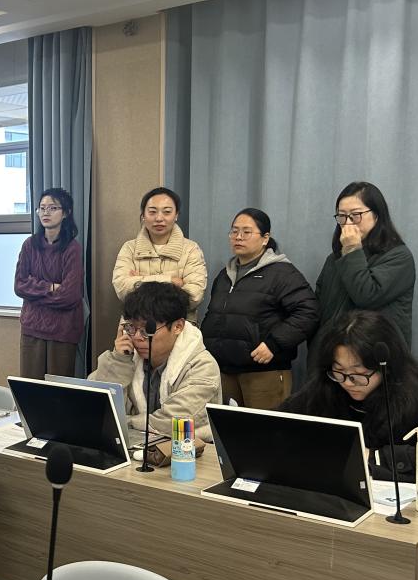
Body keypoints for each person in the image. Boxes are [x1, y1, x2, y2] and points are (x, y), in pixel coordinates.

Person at [282, 310, 418, 487]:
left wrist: (374, 457)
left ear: (386, 367)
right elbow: (274, 424)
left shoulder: (415, 396)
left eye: (359, 374)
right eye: (339, 371)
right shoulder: (326, 386)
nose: (348, 382)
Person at [201, 208, 319, 409]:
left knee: (264, 428)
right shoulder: (224, 274)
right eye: (234, 231)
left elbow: (309, 312)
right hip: (223, 371)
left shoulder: (282, 273)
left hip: (264, 373)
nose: (238, 237)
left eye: (246, 232)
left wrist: (274, 344)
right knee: (226, 427)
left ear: (265, 238)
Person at [90, 282, 221, 443]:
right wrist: (118, 361)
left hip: (186, 451)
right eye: (131, 327)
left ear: (178, 326)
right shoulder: (127, 356)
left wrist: (127, 422)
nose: (137, 337)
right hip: (137, 447)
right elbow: (98, 410)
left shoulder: (203, 367)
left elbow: (172, 422)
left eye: (147, 330)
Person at [314, 181, 416, 347]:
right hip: (333, 352)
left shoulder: (398, 256)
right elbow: (319, 306)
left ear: (376, 215)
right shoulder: (334, 259)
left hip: (375, 353)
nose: (348, 223)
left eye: (355, 215)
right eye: (342, 216)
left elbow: (366, 296)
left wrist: (352, 248)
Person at [13, 188, 84, 379]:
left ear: (65, 213)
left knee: (57, 390)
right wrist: (50, 287)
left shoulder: (72, 248)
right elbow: (19, 285)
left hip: (63, 330)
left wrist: (34, 294)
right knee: (29, 387)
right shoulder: (29, 245)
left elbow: (70, 296)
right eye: (42, 208)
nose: (46, 212)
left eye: (53, 208)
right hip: (32, 328)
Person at [113, 187, 208, 322]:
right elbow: (122, 289)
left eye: (167, 212)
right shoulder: (129, 248)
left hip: (178, 328)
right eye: (152, 212)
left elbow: (194, 296)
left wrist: (141, 280)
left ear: (176, 215)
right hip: (136, 328)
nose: (159, 218)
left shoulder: (191, 249)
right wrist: (170, 280)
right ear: (143, 215)